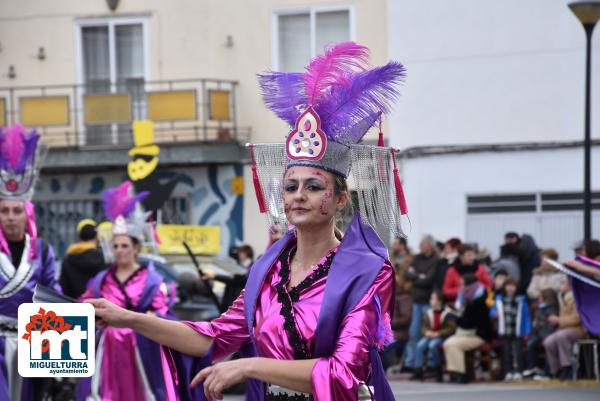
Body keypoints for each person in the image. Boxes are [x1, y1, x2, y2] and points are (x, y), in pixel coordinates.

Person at [88, 42, 406, 401]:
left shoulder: (367, 271)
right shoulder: (267, 271)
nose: (298, 195)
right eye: (290, 186)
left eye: (314, 186)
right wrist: (126, 317)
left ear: (340, 199)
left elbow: (343, 374)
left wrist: (249, 366)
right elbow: (214, 337)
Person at [77, 181, 174, 401]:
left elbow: (161, 311)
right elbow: (84, 305)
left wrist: (147, 318)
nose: (120, 250)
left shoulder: (152, 280)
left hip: (138, 348)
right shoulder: (101, 279)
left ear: (136, 249)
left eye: (125, 246)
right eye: (116, 245)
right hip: (106, 349)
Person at [0, 124, 61, 401]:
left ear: (27, 215)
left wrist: (57, 362)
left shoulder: (42, 251)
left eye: (16, 211)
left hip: (32, 341)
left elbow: (54, 297)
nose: (11, 217)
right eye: (4, 211)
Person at [443, 274, 493, 384]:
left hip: (478, 335)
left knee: (453, 344)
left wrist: (455, 318)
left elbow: (469, 323)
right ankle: (456, 373)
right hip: (468, 333)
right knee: (448, 343)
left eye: (462, 284)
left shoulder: (479, 301)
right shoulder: (469, 299)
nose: (461, 287)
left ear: (469, 286)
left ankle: (461, 374)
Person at [403, 235, 439, 371]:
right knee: (413, 333)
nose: (420, 246)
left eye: (422, 243)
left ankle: (430, 363)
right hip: (416, 301)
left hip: (428, 302)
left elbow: (429, 280)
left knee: (429, 332)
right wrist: (420, 276)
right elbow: (407, 274)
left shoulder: (436, 260)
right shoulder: (417, 258)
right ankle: (411, 363)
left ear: (429, 245)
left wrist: (416, 276)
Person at [490, 278, 531, 381]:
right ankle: (508, 372)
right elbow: (492, 311)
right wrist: (494, 314)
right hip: (505, 329)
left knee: (518, 352)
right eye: (508, 285)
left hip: (518, 330)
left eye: (512, 286)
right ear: (504, 287)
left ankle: (519, 371)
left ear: (516, 287)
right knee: (506, 352)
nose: (510, 288)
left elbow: (526, 317)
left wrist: (527, 331)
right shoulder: (499, 299)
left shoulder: (521, 300)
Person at [542, 281, 584, 380]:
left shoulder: (576, 299)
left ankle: (567, 366)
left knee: (561, 336)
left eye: (563, 284)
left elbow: (577, 319)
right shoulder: (563, 298)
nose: (561, 286)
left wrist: (558, 320)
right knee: (548, 341)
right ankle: (556, 370)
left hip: (578, 329)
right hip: (564, 328)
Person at [412, 291, 455, 382]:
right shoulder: (429, 313)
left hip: (442, 336)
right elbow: (424, 326)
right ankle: (418, 369)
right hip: (430, 335)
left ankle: (435, 366)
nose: (430, 301)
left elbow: (451, 328)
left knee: (433, 345)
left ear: (439, 301)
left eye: (433, 299)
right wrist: (426, 332)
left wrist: (439, 333)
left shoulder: (447, 313)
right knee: (420, 345)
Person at [59, 219, 107, 298]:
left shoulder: (68, 259)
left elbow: (64, 288)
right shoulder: (103, 257)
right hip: (99, 306)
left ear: (80, 236)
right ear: (96, 236)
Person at [383, 255, 413, 371]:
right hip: (390, 332)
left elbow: (406, 318)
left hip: (399, 333)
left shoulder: (403, 297)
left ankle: (382, 372)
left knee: (382, 347)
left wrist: (389, 323)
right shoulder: (387, 296)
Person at [203, 244, 255, 310]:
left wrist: (214, 276)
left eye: (241, 253)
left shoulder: (249, 268)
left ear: (246, 254)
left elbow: (235, 280)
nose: (239, 255)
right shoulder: (242, 266)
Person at [523, 288, 559, 379]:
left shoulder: (551, 309)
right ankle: (532, 366)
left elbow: (551, 325)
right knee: (530, 345)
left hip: (548, 334)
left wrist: (546, 337)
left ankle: (546, 371)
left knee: (547, 347)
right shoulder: (539, 308)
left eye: (541, 297)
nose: (539, 299)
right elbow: (536, 323)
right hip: (539, 333)